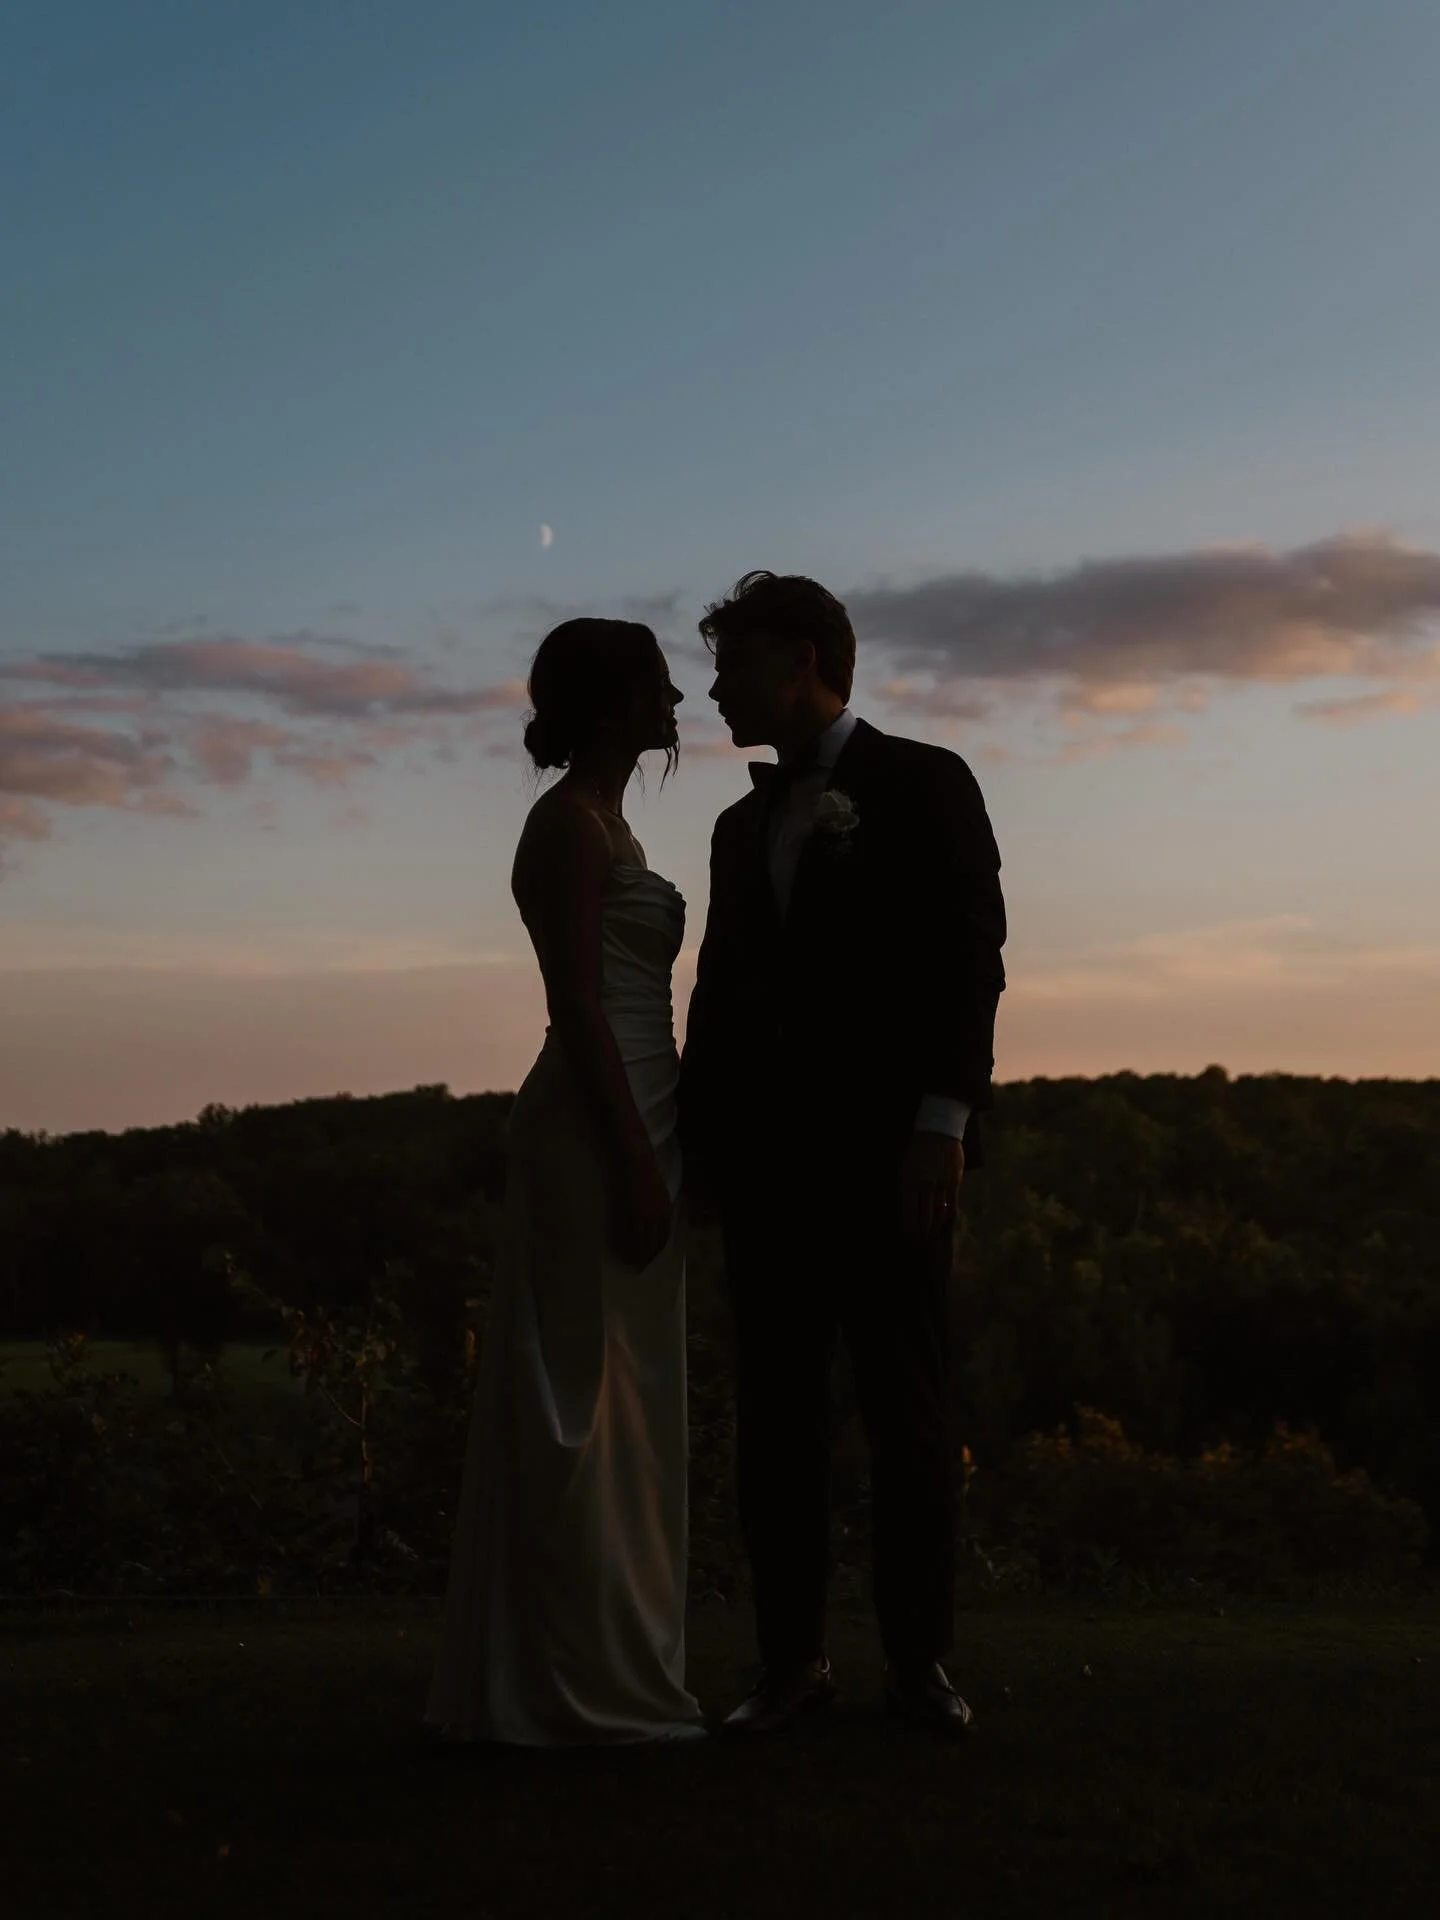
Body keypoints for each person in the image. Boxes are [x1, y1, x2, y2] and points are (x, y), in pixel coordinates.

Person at [679, 571, 1006, 1737]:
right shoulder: (737, 827)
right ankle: (791, 1669)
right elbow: (718, 1000)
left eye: (731, 665)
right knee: (777, 1421)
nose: (714, 690)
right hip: (767, 1170)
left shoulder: (925, 781)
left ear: (801, 660)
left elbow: (971, 960)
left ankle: (920, 1668)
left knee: (907, 1409)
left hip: (890, 1160)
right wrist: (699, 1153)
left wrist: (941, 1125)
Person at [425, 617, 706, 1747]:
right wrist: (633, 1156)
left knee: (629, 1399)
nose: (678, 703)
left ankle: (618, 1656)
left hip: (645, 1110)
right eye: (660, 686)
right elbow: (578, 1004)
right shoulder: (566, 828)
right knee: (577, 1396)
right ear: (613, 703)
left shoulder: (611, 823)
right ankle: (570, 1682)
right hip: (595, 1125)